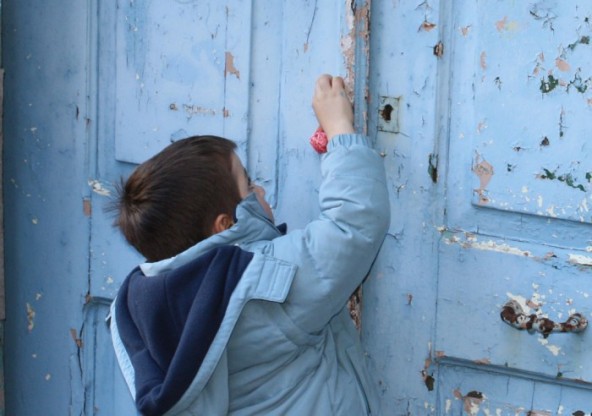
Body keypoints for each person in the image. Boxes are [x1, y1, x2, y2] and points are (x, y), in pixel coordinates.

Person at [109, 74, 390, 415]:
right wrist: (339, 128)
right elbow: (352, 225)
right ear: (225, 225)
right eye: (249, 185)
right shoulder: (258, 286)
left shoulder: (150, 304)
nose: (261, 190)